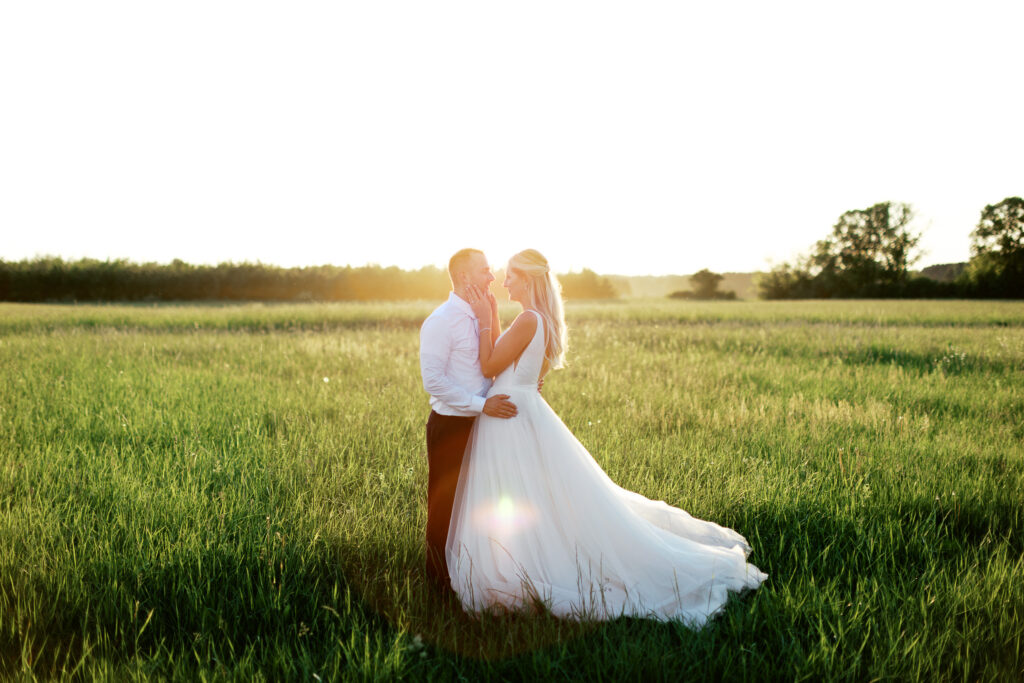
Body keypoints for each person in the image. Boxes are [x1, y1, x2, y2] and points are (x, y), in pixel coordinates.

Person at [445, 249, 767, 625]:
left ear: (528, 279)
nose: (503, 282)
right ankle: (529, 556)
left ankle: (522, 564)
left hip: (510, 416)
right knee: (533, 497)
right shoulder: (542, 320)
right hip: (522, 409)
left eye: (511, 276)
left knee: (518, 495)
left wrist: (487, 319)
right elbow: (519, 368)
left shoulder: (527, 320)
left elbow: (488, 364)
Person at [419, 248, 519, 591]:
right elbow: (433, 381)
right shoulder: (440, 321)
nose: (492, 277)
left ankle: (476, 574)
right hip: (452, 426)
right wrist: (481, 404)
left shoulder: (483, 312)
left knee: (480, 503)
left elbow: (494, 361)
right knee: (445, 506)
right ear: (464, 277)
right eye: (485, 271)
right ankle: (437, 583)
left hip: (484, 422)